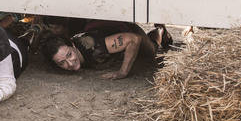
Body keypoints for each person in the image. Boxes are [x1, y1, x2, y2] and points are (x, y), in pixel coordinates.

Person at [39, 22, 172, 79]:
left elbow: (134, 39)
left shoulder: (94, 46)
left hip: (129, 31)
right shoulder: (63, 52)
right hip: (109, 31)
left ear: (73, 46)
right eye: (62, 63)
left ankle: (160, 30)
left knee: (151, 51)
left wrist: (123, 72)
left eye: (69, 55)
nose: (70, 63)